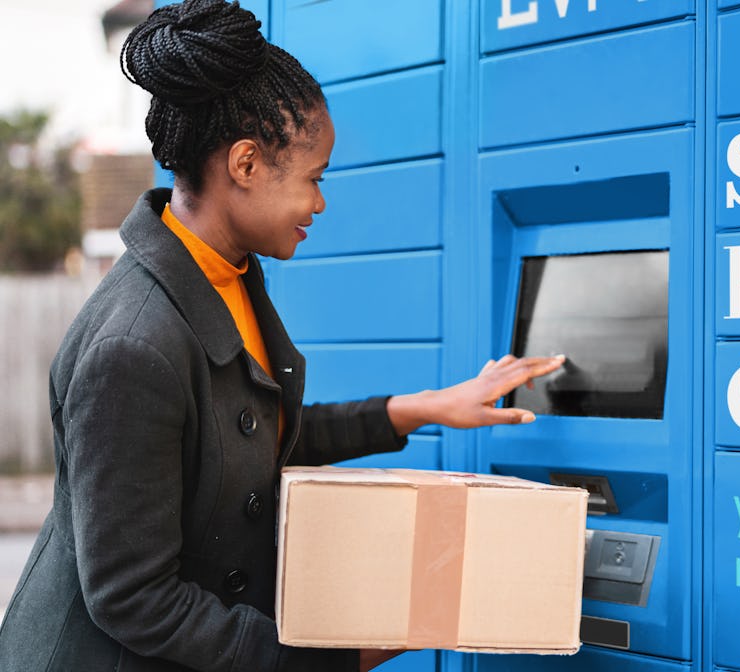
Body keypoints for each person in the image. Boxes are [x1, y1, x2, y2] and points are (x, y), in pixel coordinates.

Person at [0, 1, 563, 670]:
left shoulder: (228, 276)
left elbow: (249, 436)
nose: (320, 203)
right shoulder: (132, 348)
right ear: (244, 164)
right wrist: (329, 660)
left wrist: (421, 408)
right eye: (312, 180)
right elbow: (133, 598)